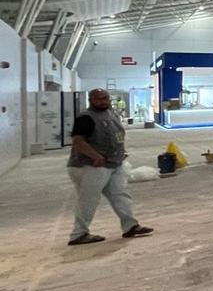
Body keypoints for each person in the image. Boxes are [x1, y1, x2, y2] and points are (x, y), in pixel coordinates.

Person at [66, 88, 154, 246]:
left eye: (105, 98)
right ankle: (78, 234)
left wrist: (120, 153)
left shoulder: (111, 114)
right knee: (89, 199)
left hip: (114, 163)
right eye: (98, 99)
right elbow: (78, 141)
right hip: (91, 166)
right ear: (91, 101)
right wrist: (95, 156)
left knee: (120, 195)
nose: (103, 101)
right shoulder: (86, 118)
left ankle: (130, 226)